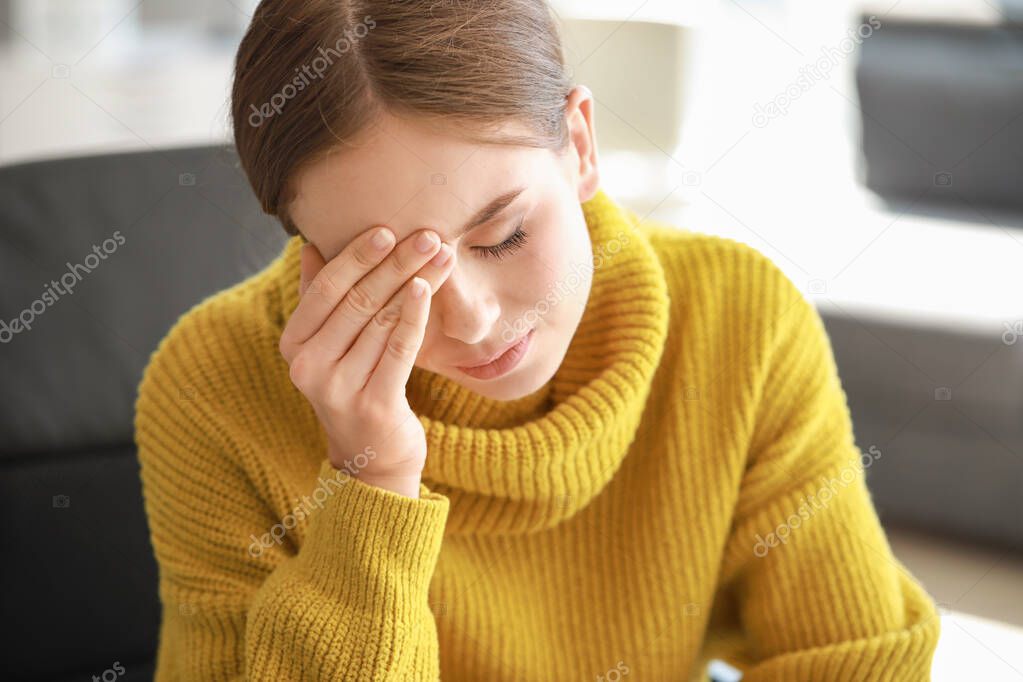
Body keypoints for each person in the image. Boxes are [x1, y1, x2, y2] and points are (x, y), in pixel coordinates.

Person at [133, 1, 941, 679]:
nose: (471, 319)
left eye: (506, 235)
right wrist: (372, 480)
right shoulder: (210, 385)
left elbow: (853, 657)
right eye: (382, 274)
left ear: (580, 146)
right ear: (305, 248)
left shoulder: (740, 318)